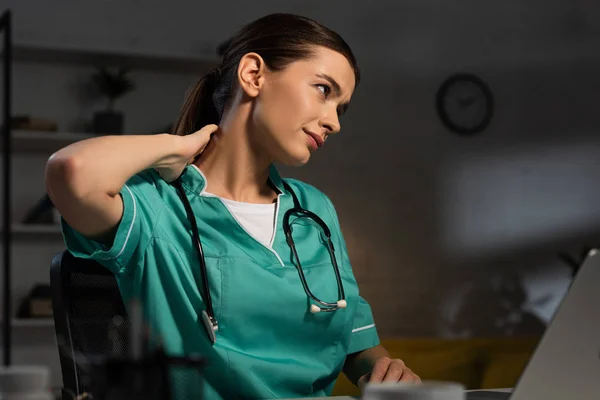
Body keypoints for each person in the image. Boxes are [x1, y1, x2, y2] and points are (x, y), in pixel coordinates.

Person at [45, 13, 420, 399]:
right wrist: (177, 146)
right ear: (254, 74)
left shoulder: (315, 211)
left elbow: (356, 343)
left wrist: (383, 371)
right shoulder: (159, 207)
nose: (334, 123)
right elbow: (72, 171)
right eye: (324, 90)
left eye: (340, 108)